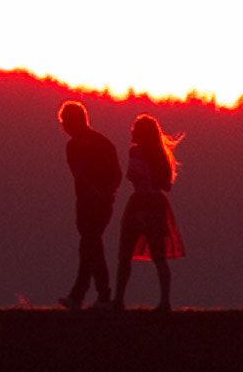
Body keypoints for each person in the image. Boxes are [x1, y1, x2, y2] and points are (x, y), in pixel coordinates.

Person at [114, 113, 184, 311]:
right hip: (157, 204)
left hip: (140, 201)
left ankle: (119, 299)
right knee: (159, 256)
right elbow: (166, 185)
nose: (132, 132)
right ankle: (165, 301)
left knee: (124, 254)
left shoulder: (135, 152)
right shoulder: (161, 156)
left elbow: (132, 177)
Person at [57, 100, 122, 311]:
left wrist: (99, 194)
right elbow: (117, 174)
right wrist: (107, 193)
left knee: (91, 246)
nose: (64, 126)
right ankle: (80, 295)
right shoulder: (103, 142)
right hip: (99, 202)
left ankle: (100, 295)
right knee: (89, 246)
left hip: (90, 203)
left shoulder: (74, 146)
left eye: (65, 122)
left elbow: (80, 175)